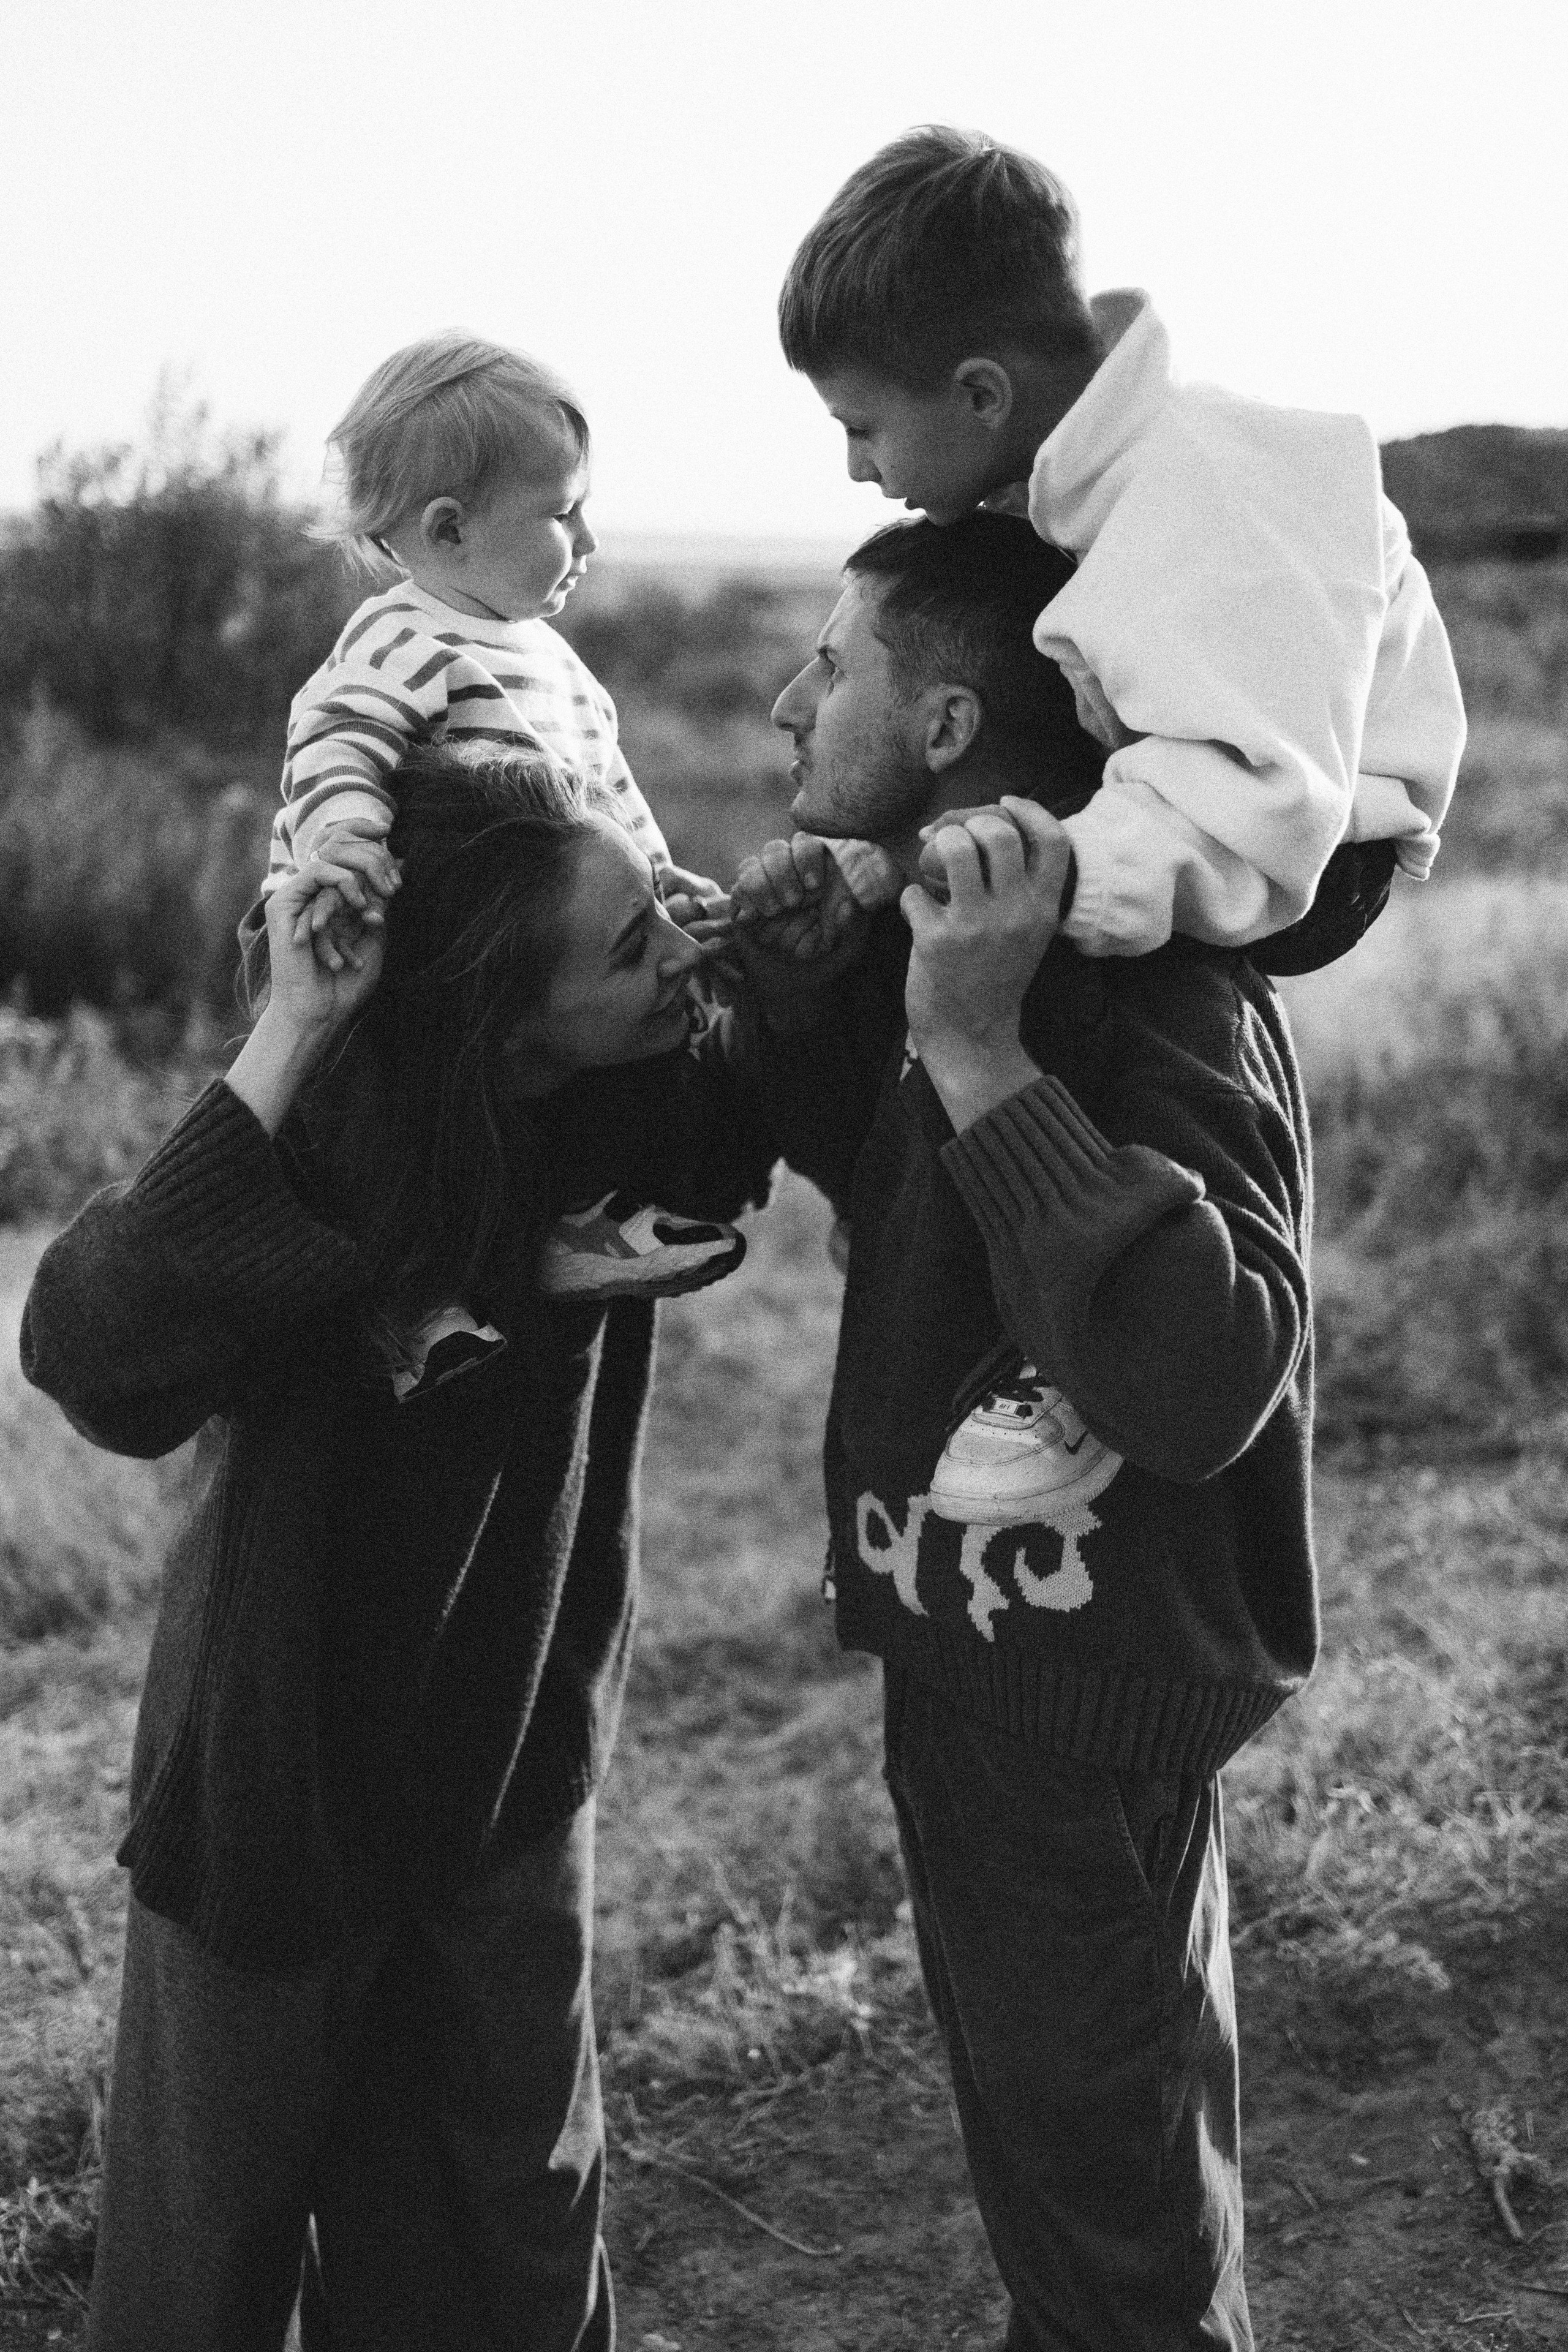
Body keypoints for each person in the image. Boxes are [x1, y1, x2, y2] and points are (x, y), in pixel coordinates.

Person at [20, 746, 776, 2352]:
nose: (673, 954)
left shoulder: (626, 1115)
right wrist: (290, 1031)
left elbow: (761, 1106)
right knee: (201, 2273)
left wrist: (759, 934)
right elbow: (88, 1345)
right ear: (501, 1031)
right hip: (271, 1806)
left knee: (503, 2249)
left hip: (504, 1780)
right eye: (634, 945)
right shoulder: (317, 1169)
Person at [730, 513, 1317, 2349]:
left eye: (833, 664)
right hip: (1001, 1668)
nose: (783, 700)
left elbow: (1208, 1375)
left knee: (1111, 2208)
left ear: (950, 724)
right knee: (1091, 2155)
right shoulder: (974, 945)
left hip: (1078, 1693)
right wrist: (813, 979)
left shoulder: (1144, 994)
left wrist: (982, 1055)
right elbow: (911, 1199)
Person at [776, 124, 1467, 961]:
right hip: (1166, 785)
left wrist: (1046, 875)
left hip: (1313, 845)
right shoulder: (1074, 478)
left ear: (981, 395)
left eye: (863, 428)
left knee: (1011, 954)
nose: (857, 468)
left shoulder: (1215, 500)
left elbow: (1268, 799)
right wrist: (882, 853)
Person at [260, 330, 739, 1300]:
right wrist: (345, 834)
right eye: (565, 512)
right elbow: (338, 736)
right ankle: (402, 1298)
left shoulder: (552, 661)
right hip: (375, 932)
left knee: (595, 1075)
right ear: (447, 532)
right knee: (390, 1131)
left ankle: (570, 1222)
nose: (590, 543)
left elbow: (603, 795)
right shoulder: (403, 638)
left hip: (514, 946)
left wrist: (655, 886)